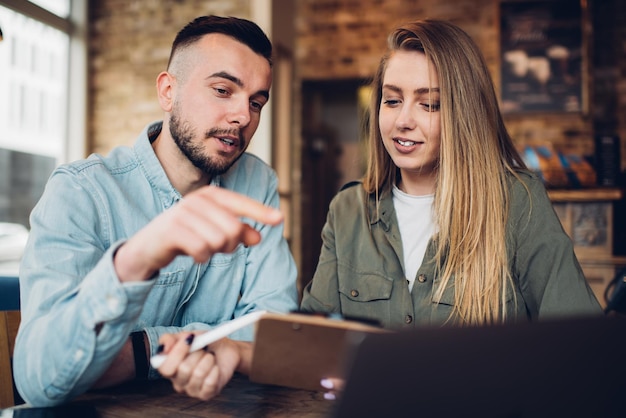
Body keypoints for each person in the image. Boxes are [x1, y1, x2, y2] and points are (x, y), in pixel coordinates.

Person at [300, 19, 602, 395]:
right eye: (392, 100)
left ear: (465, 115)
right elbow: (309, 346)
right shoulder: (347, 209)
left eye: (430, 104)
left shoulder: (518, 202)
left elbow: (581, 349)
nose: (403, 120)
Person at [14, 15, 298, 406]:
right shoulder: (80, 191)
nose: (243, 117)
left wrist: (140, 351)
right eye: (222, 90)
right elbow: (39, 380)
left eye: (256, 102)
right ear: (168, 92)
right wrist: (133, 262)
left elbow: (275, 332)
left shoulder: (257, 183)